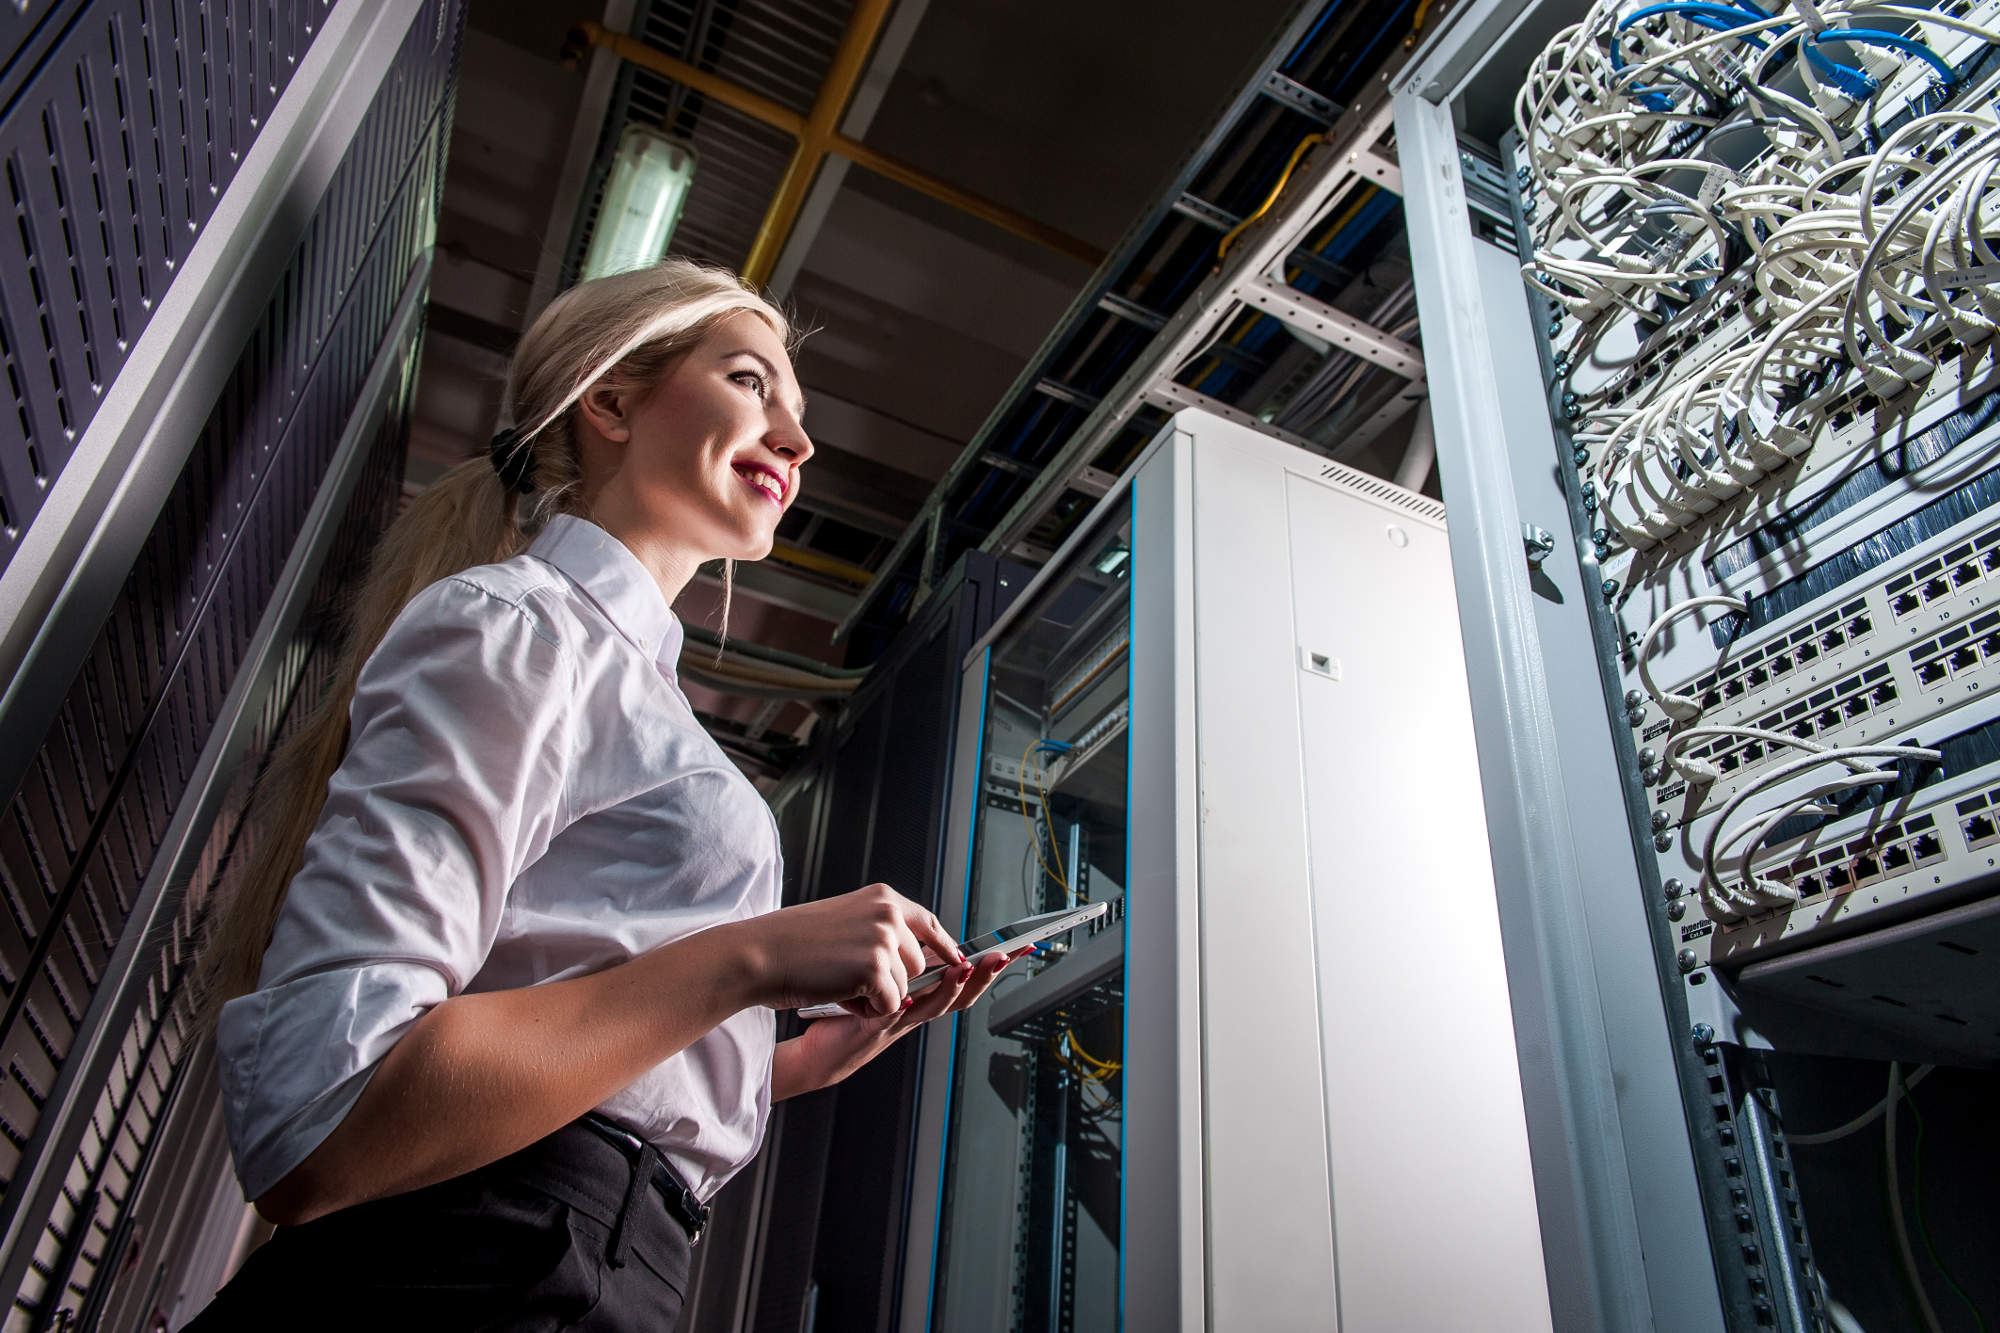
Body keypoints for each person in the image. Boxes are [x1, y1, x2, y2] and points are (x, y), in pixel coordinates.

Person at [188, 260, 1025, 1331]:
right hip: (475, 1267)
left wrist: (774, 1064)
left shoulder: (630, 685)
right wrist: (750, 960)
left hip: (583, 1263)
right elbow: (320, 1117)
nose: (797, 442)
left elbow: (555, 1028)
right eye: (750, 382)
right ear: (612, 401)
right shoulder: (521, 628)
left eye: (798, 413)